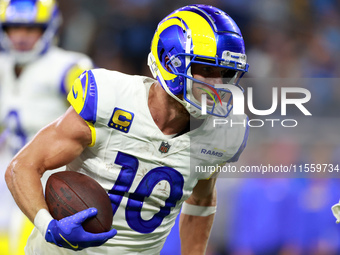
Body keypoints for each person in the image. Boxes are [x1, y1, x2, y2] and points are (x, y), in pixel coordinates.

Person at [5, 4, 249, 255]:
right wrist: (50, 228)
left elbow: (201, 199)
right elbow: (21, 167)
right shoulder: (110, 98)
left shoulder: (225, 132)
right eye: (206, 69)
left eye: (227, 73)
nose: (218, 85)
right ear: (168, 61)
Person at [0, 0, 93, 254]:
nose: (20, 37)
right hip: (8, 168)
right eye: (14, 28)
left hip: (46, 174)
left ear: (49, 28)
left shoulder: (67, 67)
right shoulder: (4, 66)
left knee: (24, 246)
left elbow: (94, 112)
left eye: (30, 29)